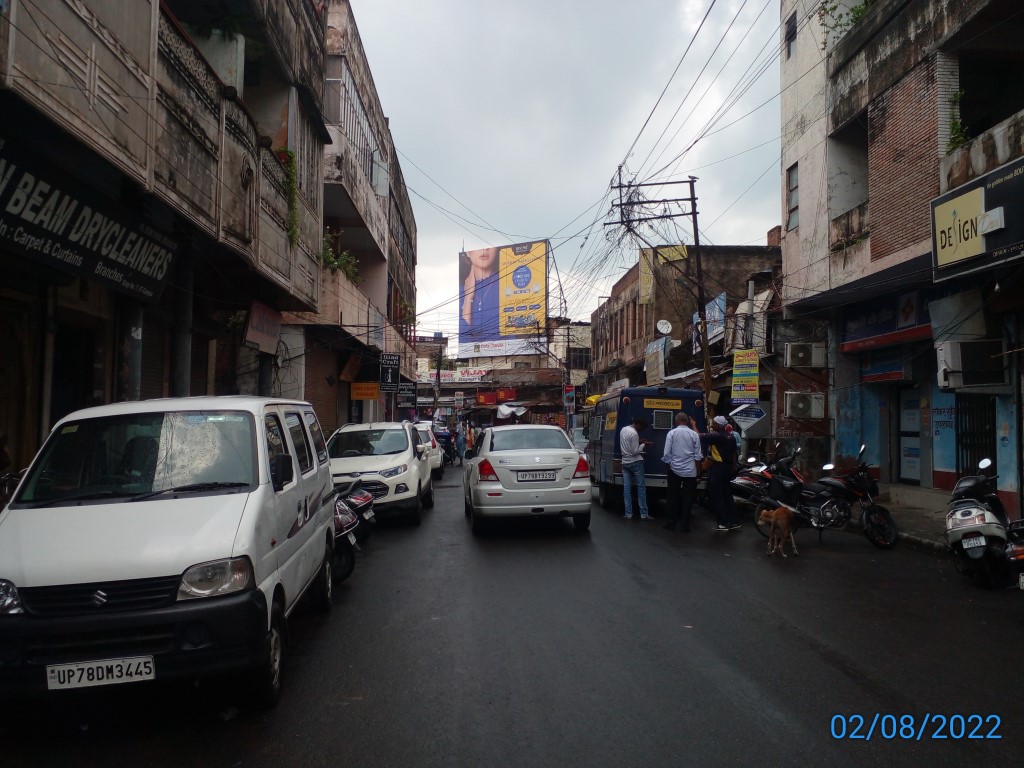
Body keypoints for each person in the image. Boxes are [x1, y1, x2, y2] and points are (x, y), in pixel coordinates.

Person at [661, 412, 702, 531]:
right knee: (688, 498)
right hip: (690, 471)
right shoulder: (694, 434)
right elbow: (698, 455)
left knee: (672, 497)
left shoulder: (672, 433)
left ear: (676, 421)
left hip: (674, 469)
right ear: (687, 422)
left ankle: (671, 522)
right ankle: (685, 525)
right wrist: (698, 471)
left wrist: (669, 466)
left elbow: (666, 453)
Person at [702, 415, 740, 531]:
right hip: (727, 469)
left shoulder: (716, 436)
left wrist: (693, 425)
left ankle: (722, 523)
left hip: (718, 469)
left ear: (718, 426)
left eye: (713, 423)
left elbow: (698, 436)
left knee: (717, 496)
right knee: (727, 495)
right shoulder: (731, 437)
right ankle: (733, 522)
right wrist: (733, 469)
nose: (712, 425)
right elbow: (734, 455)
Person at [460, 247, 499, 336]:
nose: (485, 249)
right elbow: (464, 338)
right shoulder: (460, 291)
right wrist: (468, 298)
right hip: (469, 349)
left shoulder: (506, 284)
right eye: (478, 246)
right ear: (467, 252)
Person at [619, 417, 652, 520]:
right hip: (635, 462)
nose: (641, 430)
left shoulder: (623, 429)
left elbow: (628, 445)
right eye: (642, 428)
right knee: (641, 488)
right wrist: (643, 444)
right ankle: (644, 514)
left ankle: (628, 514)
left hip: (625, 462)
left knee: (626, 489)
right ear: (638, 424)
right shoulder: (634, 434)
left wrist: (638, 442)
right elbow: (634, 451)